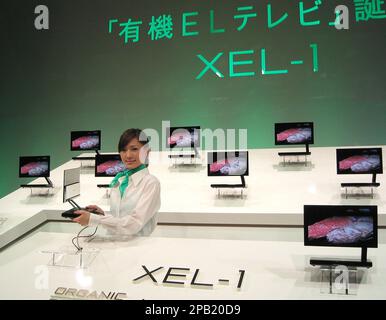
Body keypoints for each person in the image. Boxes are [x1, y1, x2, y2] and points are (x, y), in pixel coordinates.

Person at [73, 129, 161, 236]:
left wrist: (95, 219)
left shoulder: (151, 183)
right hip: (113, 245)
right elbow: (119, 217)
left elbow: (134, 224)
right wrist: (102, 214)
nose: (128, 155)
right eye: (123, 150)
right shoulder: (120, 180)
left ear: (147, 152)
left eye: (134, 149)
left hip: (137, 248)